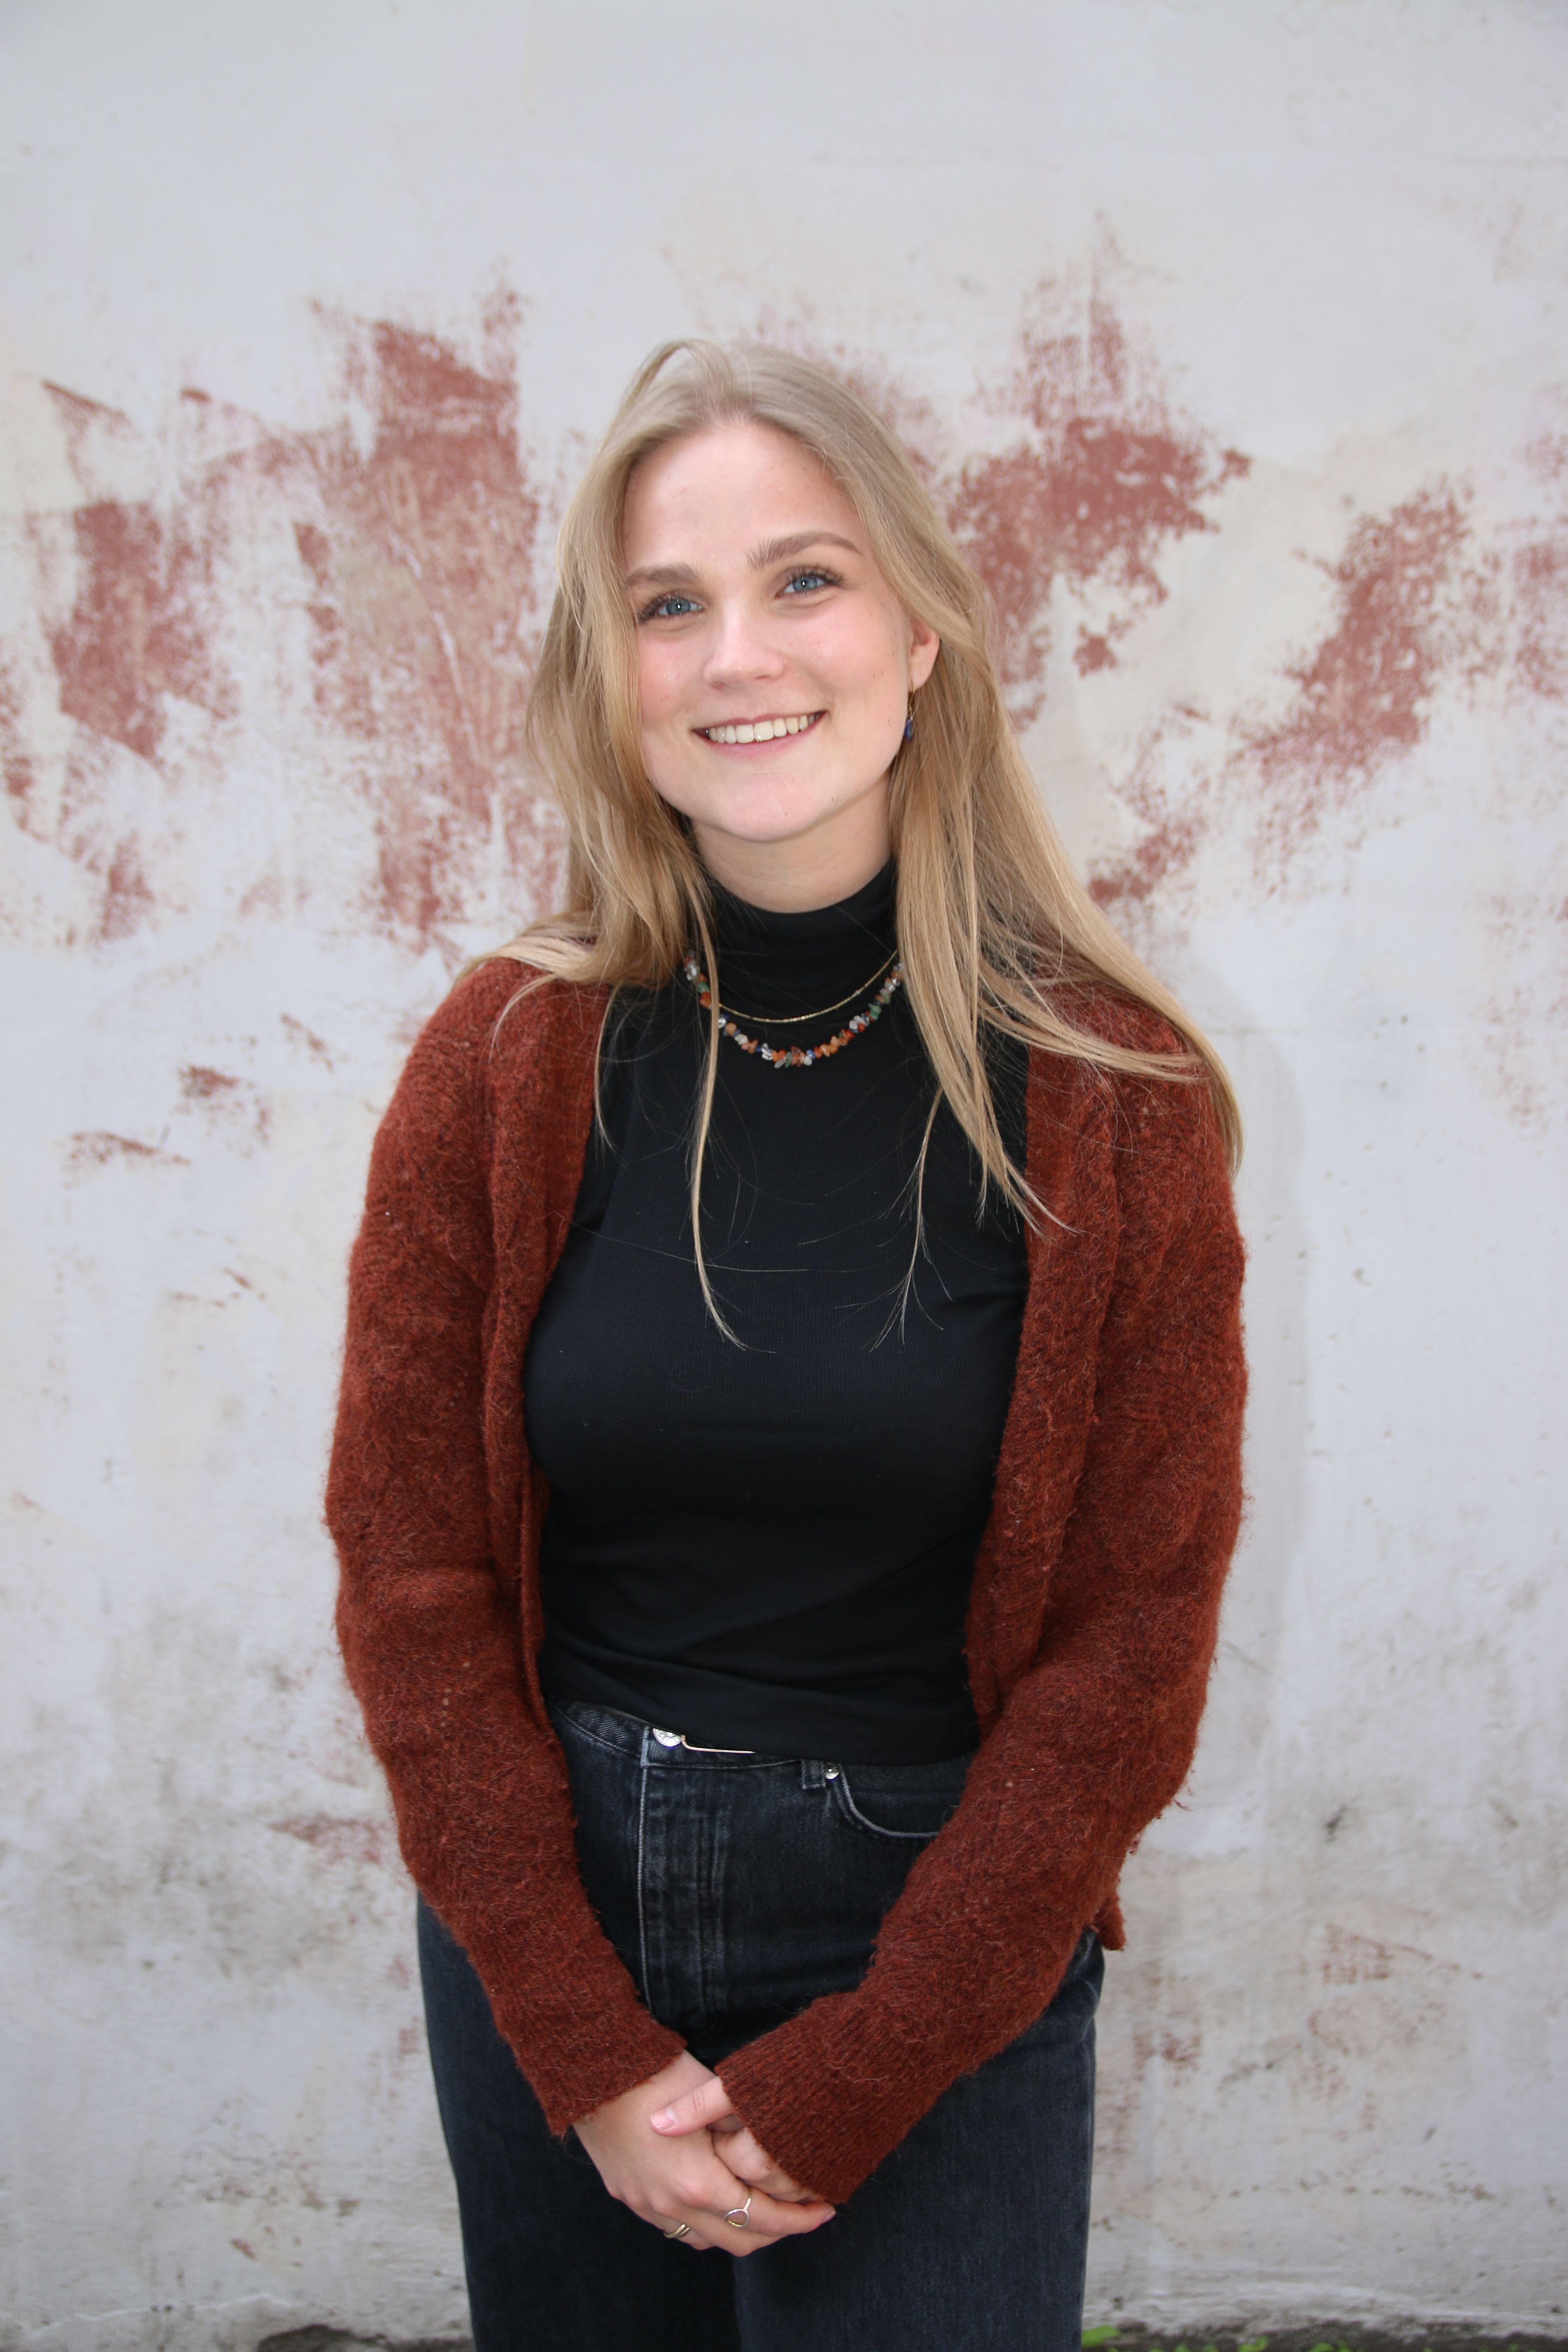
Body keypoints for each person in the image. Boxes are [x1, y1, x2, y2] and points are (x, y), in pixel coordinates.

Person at [326, 339, 1246, 2352]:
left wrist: (867, 2068)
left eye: (806, 580)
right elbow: (412, 1577)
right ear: (613, 669)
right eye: (670, 603)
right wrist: (578, 2043)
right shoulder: (497, 1061)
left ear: (923, 633)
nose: (739, 655)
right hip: (549, 1910)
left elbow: (1130, 1643)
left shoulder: (1117, 1093)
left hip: (936, 1937)